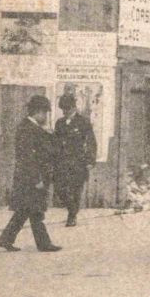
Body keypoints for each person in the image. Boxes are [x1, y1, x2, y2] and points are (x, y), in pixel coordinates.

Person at [0, 95, 60, 252]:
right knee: (35, 211)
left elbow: (48, 150)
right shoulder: (27, 129)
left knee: (25, 210)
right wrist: (37, 178)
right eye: (45, 113)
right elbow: (28, 158)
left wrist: (49, 134)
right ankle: (43, 244)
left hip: (31, 177)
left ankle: (5, 239)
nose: (46, 117)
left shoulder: (33, 128)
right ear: (37, 112)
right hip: (31, 178)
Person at [52, 93, 97, 227]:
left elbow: (91, 142)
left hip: (78, 163)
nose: (65, 112)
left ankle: (72, 216)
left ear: (73, 107)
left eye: (67, 109)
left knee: (75, 190)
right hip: (61, 163)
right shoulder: (59, 123)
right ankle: (72, 209)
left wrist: (90, 161)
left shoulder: (83, 122)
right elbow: (55, 142)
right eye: (63, 109)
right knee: (60, 188)